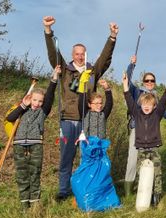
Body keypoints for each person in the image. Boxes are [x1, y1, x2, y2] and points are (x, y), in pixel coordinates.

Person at [43, 15, 118, 202]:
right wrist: (48, 31)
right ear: (72, 54)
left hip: (88, 122)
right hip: (68, 120)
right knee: (66, 157)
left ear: (85, 54)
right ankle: (63, 190)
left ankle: (86, 190)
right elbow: (53, 55)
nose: (80, 56)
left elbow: (105, 58)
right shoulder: (65, 70)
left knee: (88, 158)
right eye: (77, 53)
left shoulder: (92, 71)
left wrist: (112, 37)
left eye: (82, 53)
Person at [124, 55, 166, 197]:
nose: (149, 82)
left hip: (151, 132)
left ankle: (151, 191)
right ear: (143, 82)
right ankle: (129, 190)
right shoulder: (137, 91)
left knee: (151, 163)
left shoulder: (155, 97)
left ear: (155, 82)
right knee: (133, 160)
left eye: (152, 80)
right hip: (136, 129)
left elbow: (164, 111)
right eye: (147, 80)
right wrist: (131, 65)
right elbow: (127, 80)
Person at [6, 66, 60, 210]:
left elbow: (49, 96)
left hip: (36, 145)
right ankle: (25, 206)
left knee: (35, 173)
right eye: (35, 100)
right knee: (22, 175)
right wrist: (23, 105)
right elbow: (9, 118)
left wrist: (54, 78)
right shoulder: (22, 110)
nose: (37, 104)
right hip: (18, 145)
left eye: (40, 101)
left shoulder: (43, 112)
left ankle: (35, 205)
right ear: (30, 99)